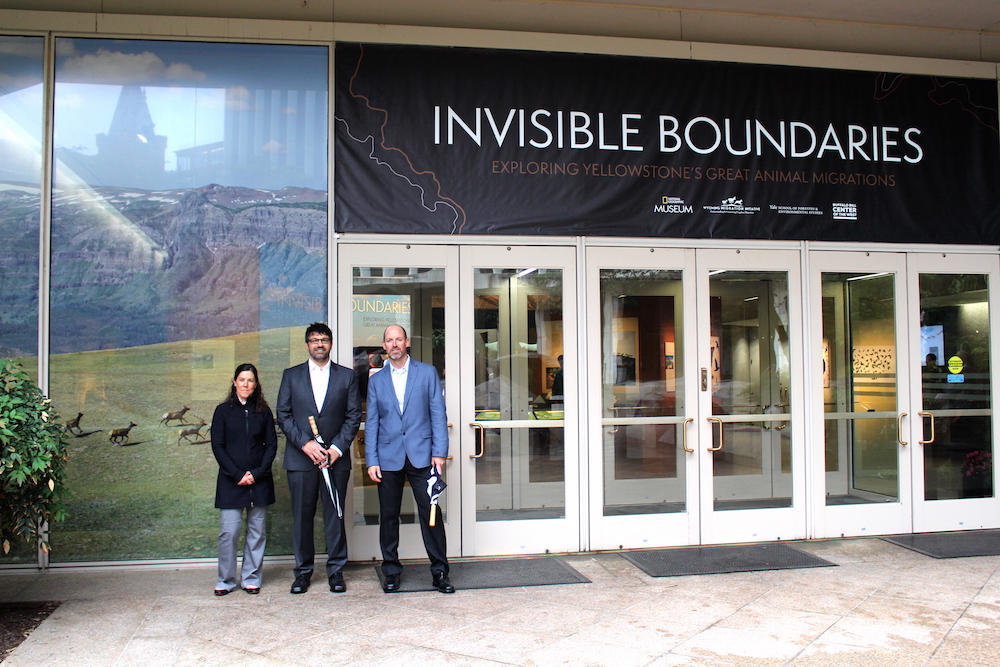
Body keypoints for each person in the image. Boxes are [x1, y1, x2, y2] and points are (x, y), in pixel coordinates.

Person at [366, 324, 454, 593]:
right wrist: (371, 459)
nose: (394, 344)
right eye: (389, 340)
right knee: (389, 517)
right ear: (384, 346)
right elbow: (372, 422)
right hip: (388, 457)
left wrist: (439, 453)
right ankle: (391, 571)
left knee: (431, 515)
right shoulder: (376, 380)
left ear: (407, 342)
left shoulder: (426, 373)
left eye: (398, 339)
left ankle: (440, 572)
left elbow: (438, 415)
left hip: (423, 456)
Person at [277, 322, 361, 594]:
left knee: (335, 515)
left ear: (331, 344)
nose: (319, 344)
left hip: (335, 461)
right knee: (302, 517)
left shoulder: (346, 377)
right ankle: (303, 573)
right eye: (314, 340)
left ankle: (336, 571)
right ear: (307, 345)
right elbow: (284, 414)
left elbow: (353, 416)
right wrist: (305, 444)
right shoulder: (291, 376)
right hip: (302, 460)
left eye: (324, 340)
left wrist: (336, 449)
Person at [211, 363, 277, 596]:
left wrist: (256, 473)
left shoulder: (264, 412)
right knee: (229, 533)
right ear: (234, 382)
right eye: (241, 379)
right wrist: (238, 474)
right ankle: (226, 580)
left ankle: (251, 578)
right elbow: (218, 446)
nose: (245, 384)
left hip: (259, 481)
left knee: (257, 532)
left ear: (256, 384)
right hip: (231, 481)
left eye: (250, 380)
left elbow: (271, 446)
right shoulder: (222, 411)